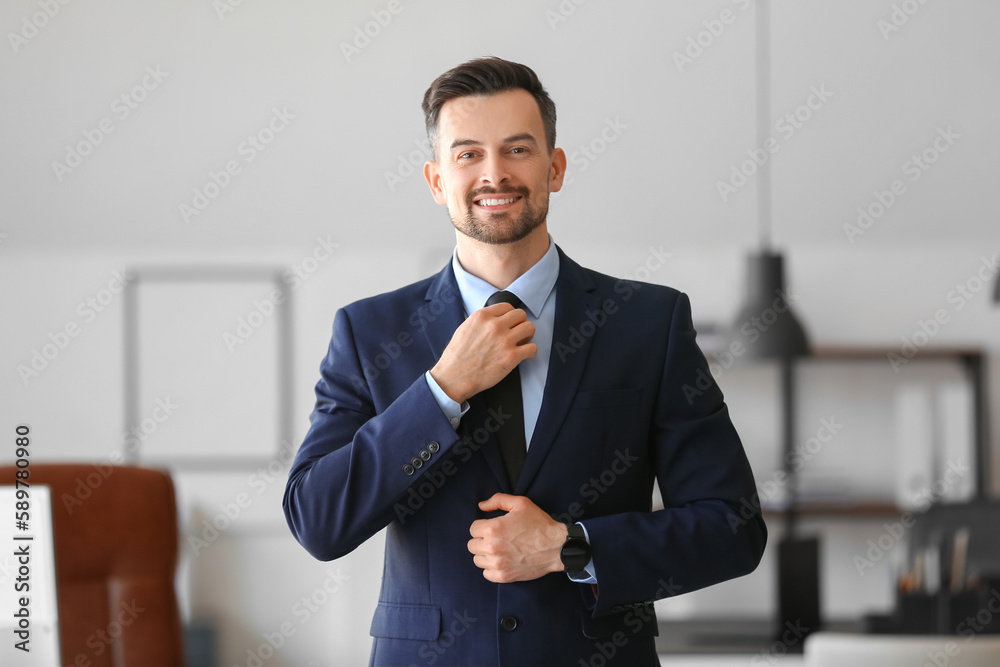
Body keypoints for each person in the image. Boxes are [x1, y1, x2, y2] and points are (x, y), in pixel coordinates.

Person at [282, 56, 766, 667]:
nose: (495, 174)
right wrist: (442, 389)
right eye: (467, 154)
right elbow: (317, 520)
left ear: (554, 167)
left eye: (518, 149)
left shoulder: (648, 323)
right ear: (436, 181)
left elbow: (734, 528)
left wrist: (570, 546)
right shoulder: (369, 330)